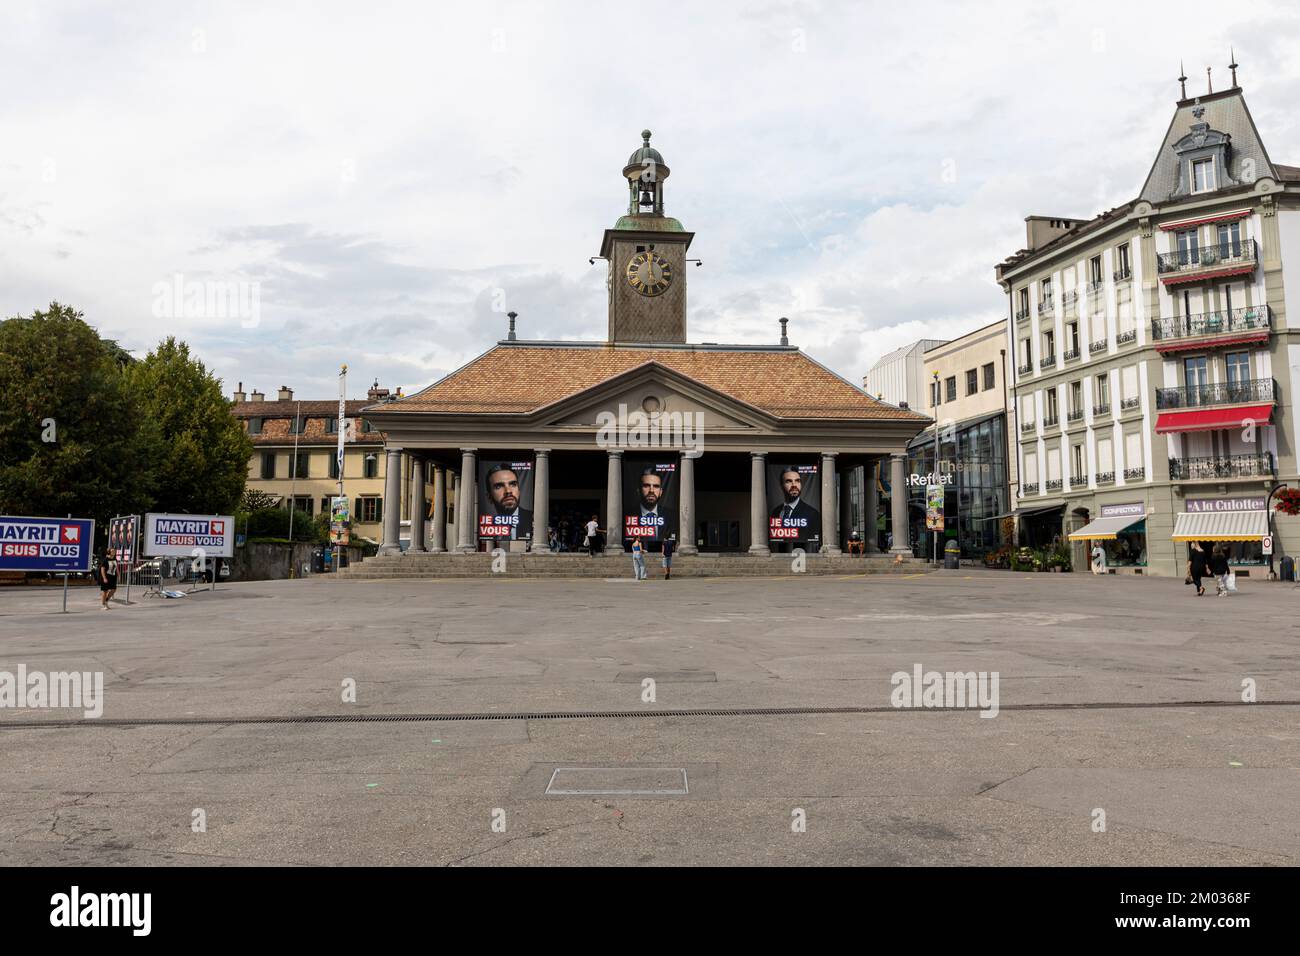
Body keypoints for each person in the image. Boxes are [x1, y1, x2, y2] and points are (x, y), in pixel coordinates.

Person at [483, 464, 532, 540]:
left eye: (513, 484)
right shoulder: (486, 527)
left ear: (519, 491)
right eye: (499, 486)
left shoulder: (532, 519)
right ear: (489, 497)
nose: (508, 491)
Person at [770, 467, 821, 536]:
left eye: (797, 481)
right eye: (789, 481)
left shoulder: (813, 514)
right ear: (782, 486)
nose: (794, 485)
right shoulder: (775, 512)